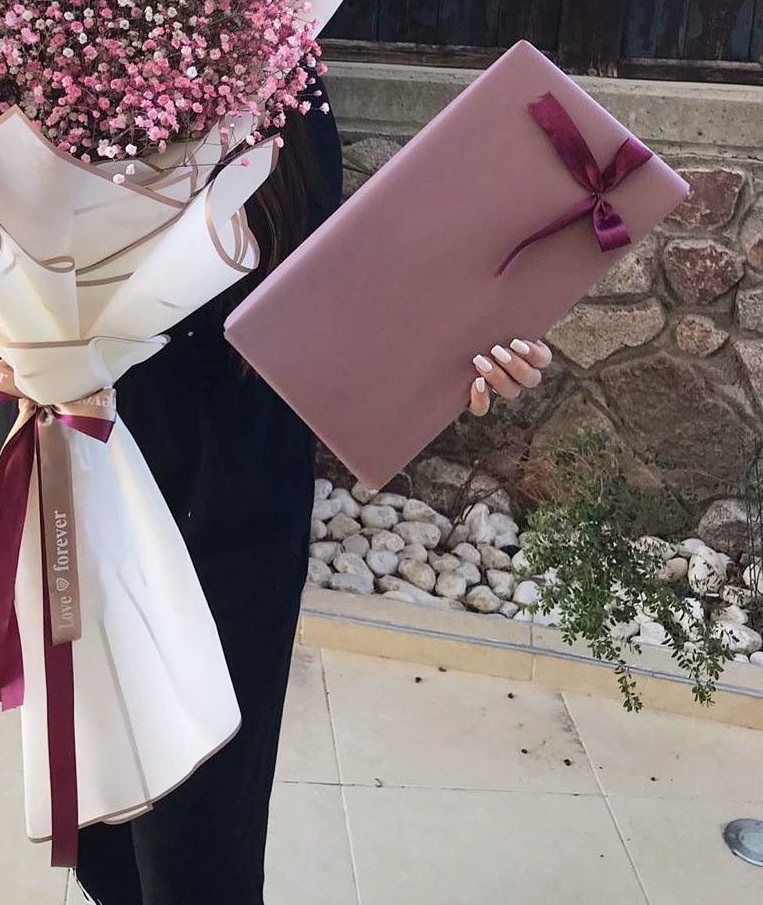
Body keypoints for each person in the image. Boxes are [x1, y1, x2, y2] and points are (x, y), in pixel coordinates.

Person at [73, 92, 552, 905]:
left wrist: (467, 349)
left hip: (234, 504)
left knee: (198, 846)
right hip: (81, 474)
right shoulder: (52, 69)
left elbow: (332, 306)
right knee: (100, 824)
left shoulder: (290, 95)